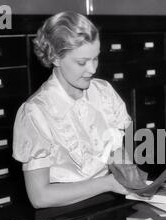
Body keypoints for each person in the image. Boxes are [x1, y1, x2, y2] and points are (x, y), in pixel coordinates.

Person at [13, 11, 131, 209]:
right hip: (62, 215)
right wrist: (108, 183)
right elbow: (39, 197)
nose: (93, 69)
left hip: (109, 204)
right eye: (82, 62)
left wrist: (129, 174)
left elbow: (117, 155)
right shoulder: (35, 112)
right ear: (55, 57)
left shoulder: (104, 92)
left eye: (96, 58)